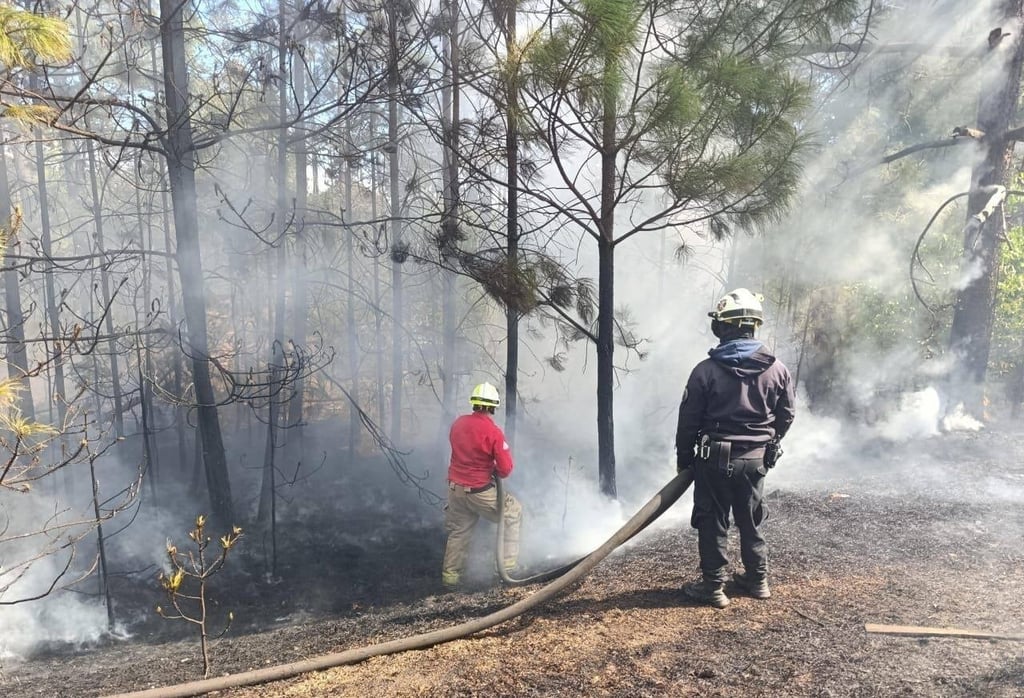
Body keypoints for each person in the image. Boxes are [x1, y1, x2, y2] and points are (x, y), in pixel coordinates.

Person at [676, 288, 795, 609]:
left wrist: (684, 460)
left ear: (724, 327)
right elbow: (787, 415)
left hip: (713, 460)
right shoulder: (778, 370)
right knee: (751, 520)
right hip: (755, 461)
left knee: (713, 520)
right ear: (753, 326)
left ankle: (713, 588)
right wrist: (770, 443)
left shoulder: (705, 371)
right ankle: (758, 581)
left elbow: (688, 421)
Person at [441, 382, 523, 588]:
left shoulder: (458, 423)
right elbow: (505, 469)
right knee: (512, 512)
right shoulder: (493, 432)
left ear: (474, 403)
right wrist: (492, 466)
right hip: (479, 492)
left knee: (459, 531)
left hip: (454, 490)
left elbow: (458, 447)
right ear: (493, 406)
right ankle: (508, 567)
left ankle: (450, 578)